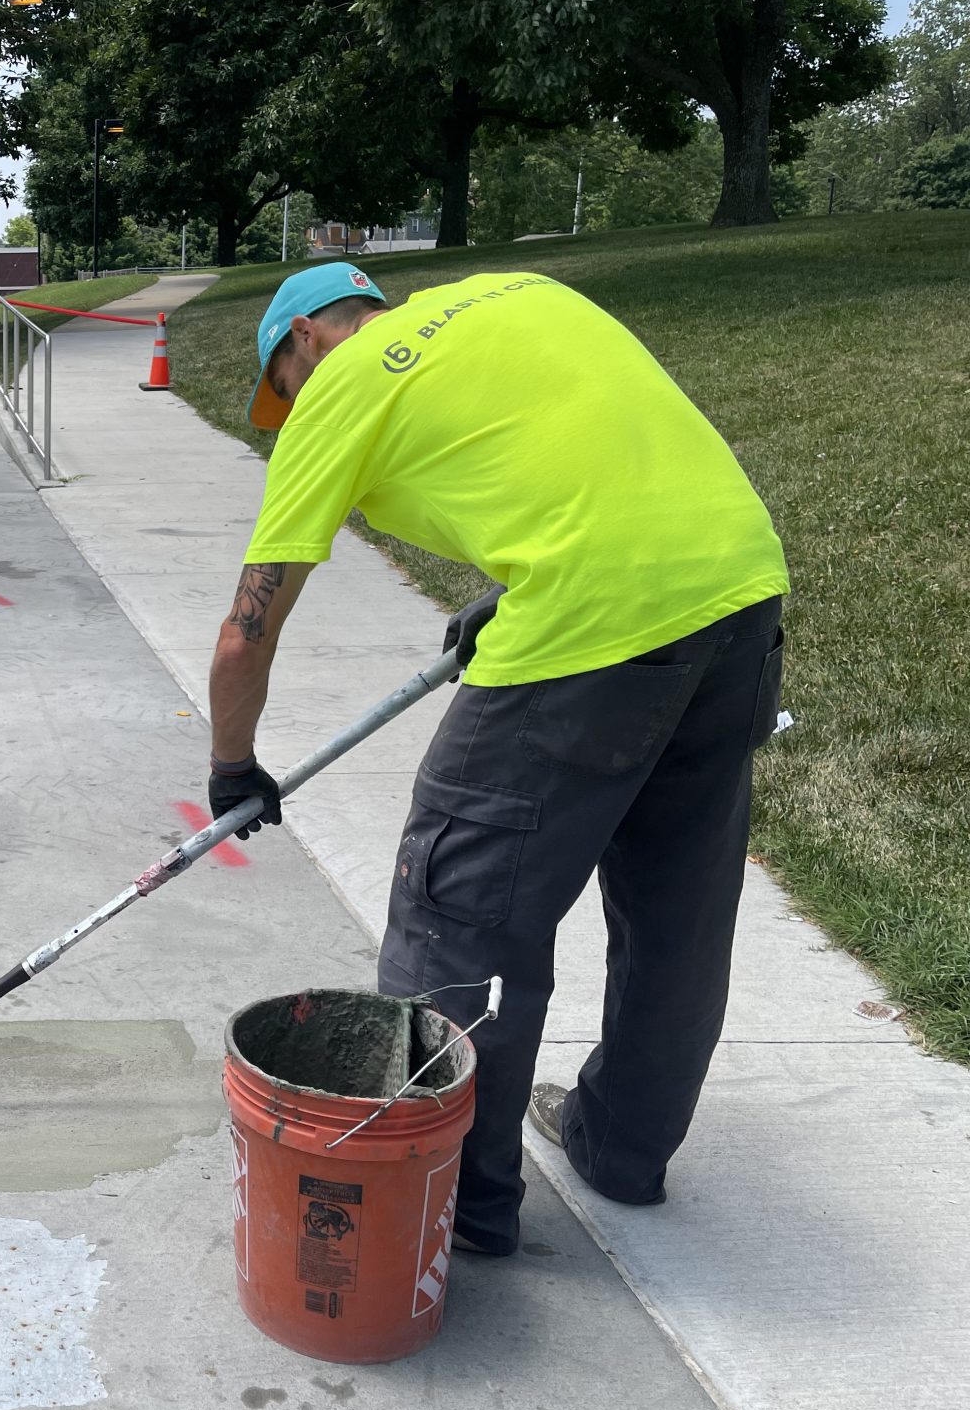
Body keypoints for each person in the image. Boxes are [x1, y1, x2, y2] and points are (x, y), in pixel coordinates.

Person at [206, 262, 787, 1257]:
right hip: (738, 594)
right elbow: (583, 470)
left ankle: (453, 1206)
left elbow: (246, 632)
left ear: (302, 341)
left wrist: (230, 765)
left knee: (452, 919)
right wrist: (510, 591)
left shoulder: (338, 386)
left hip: (585, 638)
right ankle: (621, 1149)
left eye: (283, 385)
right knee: (675, 914)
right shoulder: (523, 293)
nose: (290, 407)